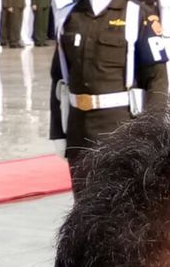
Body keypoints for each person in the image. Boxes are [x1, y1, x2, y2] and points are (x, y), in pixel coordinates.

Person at [49, 0, 168, 192]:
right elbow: (59, 82)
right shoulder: (70, 17)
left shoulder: (138, 15)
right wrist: (58, 131)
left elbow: (157, 81)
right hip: (79, 132)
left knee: (120, 219)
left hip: (121, 132)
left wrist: (152, 138)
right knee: (82, 217)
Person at [55, 111, 170, 267]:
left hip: (120, 125)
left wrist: (144, 128)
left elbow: (154, 87)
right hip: (84, 130)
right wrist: (58, 131)